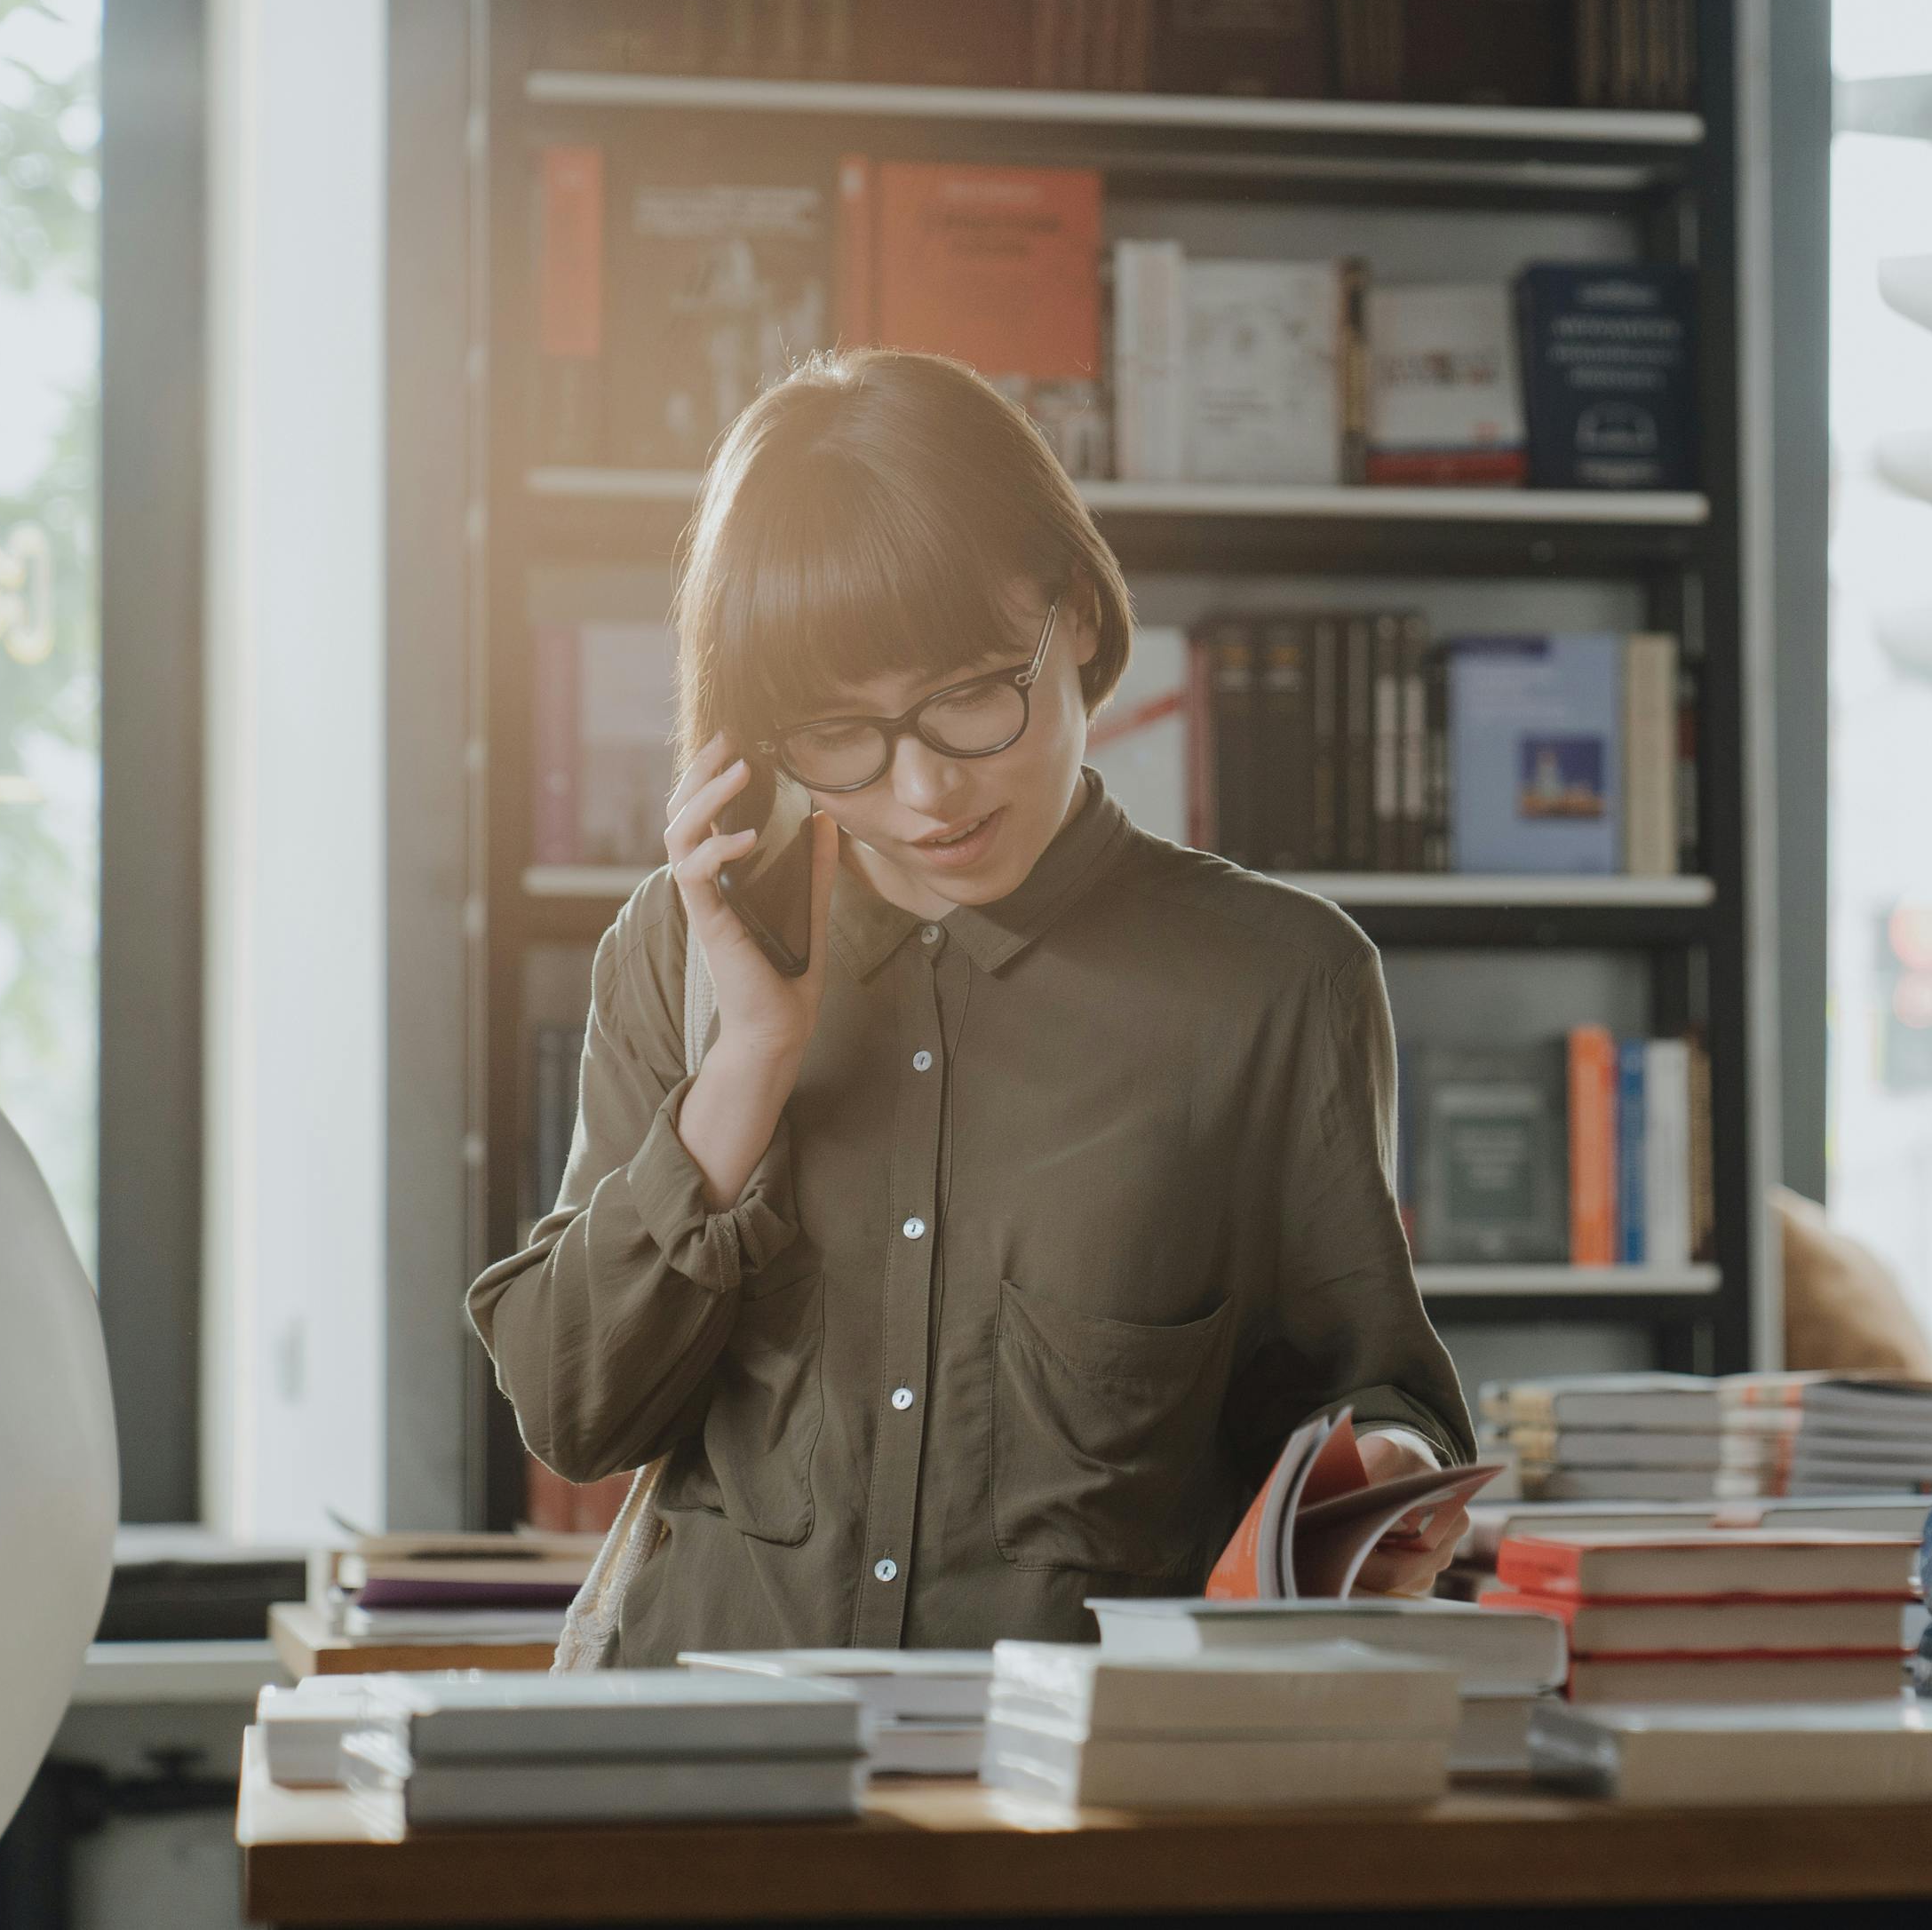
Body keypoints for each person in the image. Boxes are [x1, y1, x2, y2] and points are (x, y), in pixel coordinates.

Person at [467, 348, 1475, 1665]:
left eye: (971, 699)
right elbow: (569, 1408)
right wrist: (751, 1061)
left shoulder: (1279, 984)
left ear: (1077, 618)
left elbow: (1376, 1388)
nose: (926, 793)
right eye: (844, 736)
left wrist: (1387, 1469)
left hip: (1075, 1818)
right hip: (718, 1799)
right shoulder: (676, 951)